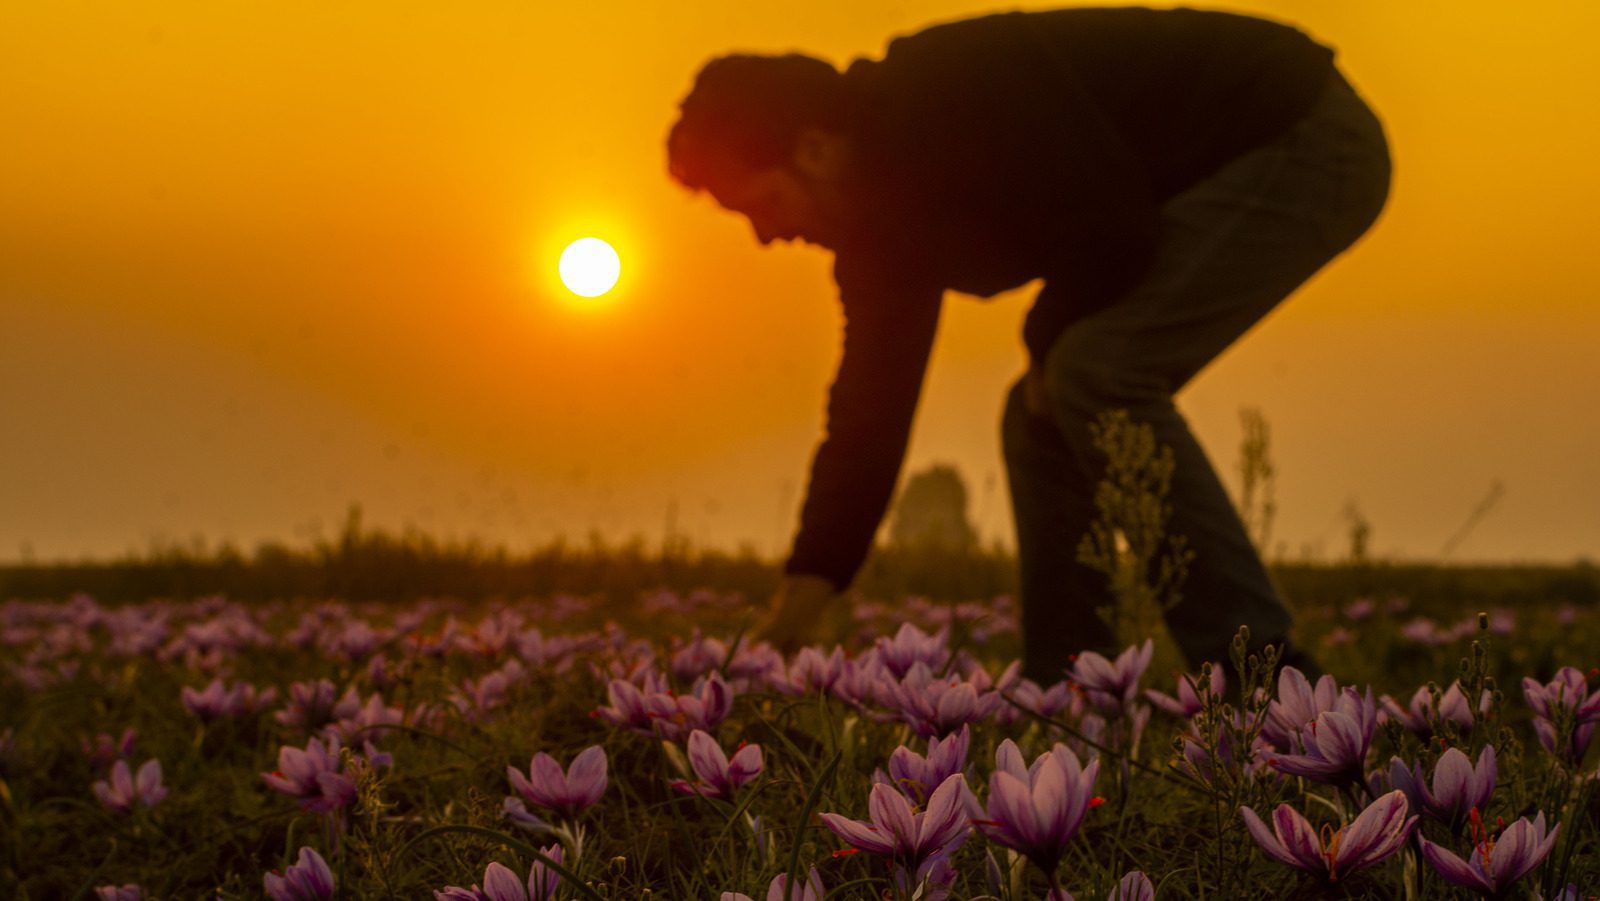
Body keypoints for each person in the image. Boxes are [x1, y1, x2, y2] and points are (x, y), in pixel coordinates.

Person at [665, 6, 1389, 682]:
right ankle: (1074, 688)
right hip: (1208, 177)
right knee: (1039, 406)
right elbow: (868, 416)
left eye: (761, 205)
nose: (767, 236)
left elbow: (1111, 226)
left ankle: (1265, 674)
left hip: (1303, 136)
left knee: (1092, 370)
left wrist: (1043, 341)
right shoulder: (878, 236)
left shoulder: (948, 92)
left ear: (815, 150)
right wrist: (799, 599)